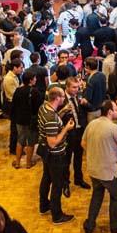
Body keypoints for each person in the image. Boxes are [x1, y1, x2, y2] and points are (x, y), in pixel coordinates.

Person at [81, 99, 117, 233]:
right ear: (109, 112)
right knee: (116, 197)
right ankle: (114, 225)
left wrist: (96, 153)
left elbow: (83, 143)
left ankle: (89, 225)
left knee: (97, 195)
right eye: (115, 109)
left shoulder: (92, 124)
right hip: (109, 171)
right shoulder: (113, 128)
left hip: (93, 169)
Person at [37, 86, 76, 224]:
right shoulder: (51, 117)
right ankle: (57, 215)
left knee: (46, 178)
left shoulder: (44, 108)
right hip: (55, 154)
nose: (64, 99)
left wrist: (62, 112)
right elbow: (53, 142)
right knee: (57, 184)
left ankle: (43, 205)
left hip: (45, 152)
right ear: (57, 98)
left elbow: (52, 122)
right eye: (63, 97)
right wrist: (66, 128)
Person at [10, 70, 42, 169]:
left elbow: (14, 105)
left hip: (19, 119)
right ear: (31, 80)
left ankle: (18, 162)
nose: (36, 80)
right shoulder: (35, 91)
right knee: (31, 142)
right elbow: (39, 107)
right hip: (31, 120)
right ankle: (28, 163)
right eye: (34, 78)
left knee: (20, 140)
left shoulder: (18, 90)